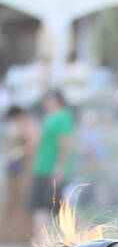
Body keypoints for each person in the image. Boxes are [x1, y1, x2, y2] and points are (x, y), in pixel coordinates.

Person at [29, 90, 75, 235]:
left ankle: (85, 232)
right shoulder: (49, 117)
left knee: (57, 206)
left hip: (51, 169)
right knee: (41, 205)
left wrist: (60, 165)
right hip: (42, 167)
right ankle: (39, 239)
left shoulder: (62, 117)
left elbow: (65, 143)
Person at [1, 105, 38, 243]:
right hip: (11, 168)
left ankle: (24, 236)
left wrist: (20, 152)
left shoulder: (27, 125)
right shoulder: (11, 126)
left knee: (24, 201)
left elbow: (32, 144)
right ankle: (6, 235)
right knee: (9, 201)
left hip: (23, 170)